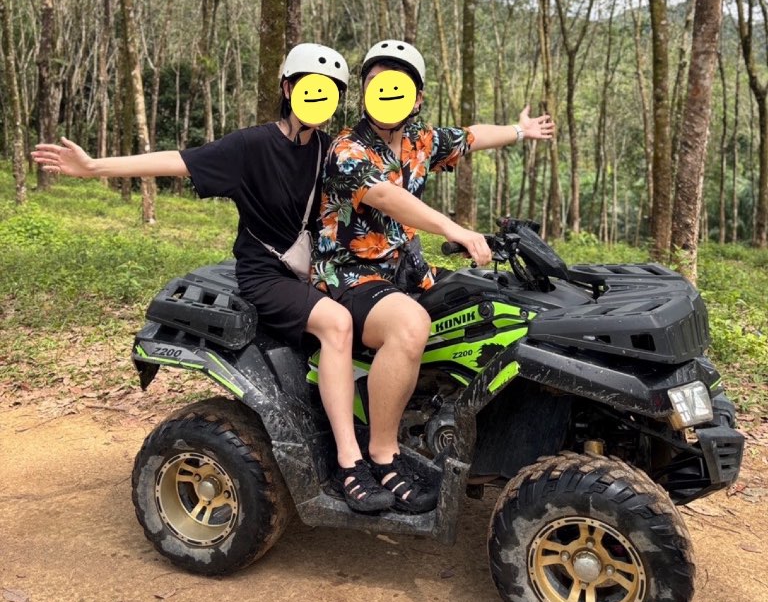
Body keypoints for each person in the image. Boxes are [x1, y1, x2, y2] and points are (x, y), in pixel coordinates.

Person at [32, 43, 395, 514]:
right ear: (289, 89)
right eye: (311, 87)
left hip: (319, 270)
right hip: (267, 274)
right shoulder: (250, 146)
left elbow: (393, 174)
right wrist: (95, 167)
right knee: (338, 325)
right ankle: (349, 462)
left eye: (331, 91)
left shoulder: (331, 150)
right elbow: (178, 161)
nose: (320, 98)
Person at [314, 39, 555, 513]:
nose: (385, 93)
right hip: (349, 275)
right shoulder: (347, 149)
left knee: (491, 304)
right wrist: (453, 228)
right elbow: (388, 198)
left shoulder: (420, 139)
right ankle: (383, 454)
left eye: (397, 85)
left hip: (408, 272)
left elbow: (469, 137)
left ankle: (455, 419)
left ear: (416, 97)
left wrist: (519, 130)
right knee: (410, 326)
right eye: (375, 83)